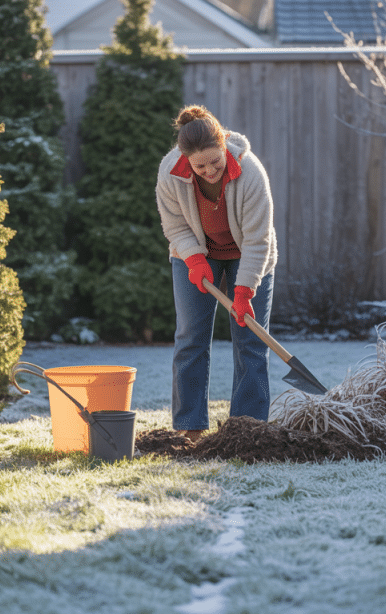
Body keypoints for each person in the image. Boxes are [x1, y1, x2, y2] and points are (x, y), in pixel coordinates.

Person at [155, 105, 278, 442]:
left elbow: (258, 240)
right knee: (191, 337)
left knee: (251, 340)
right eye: (200, 166)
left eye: (216, 162)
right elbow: (175, 226)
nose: (209, 170)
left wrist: (244, 291)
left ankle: (247, 429)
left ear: (224, 144)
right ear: (185, 160)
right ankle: (189, 428)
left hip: (248, 255)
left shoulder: (250, 173)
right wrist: (194, 260)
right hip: (195, 253)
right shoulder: (170, 174)